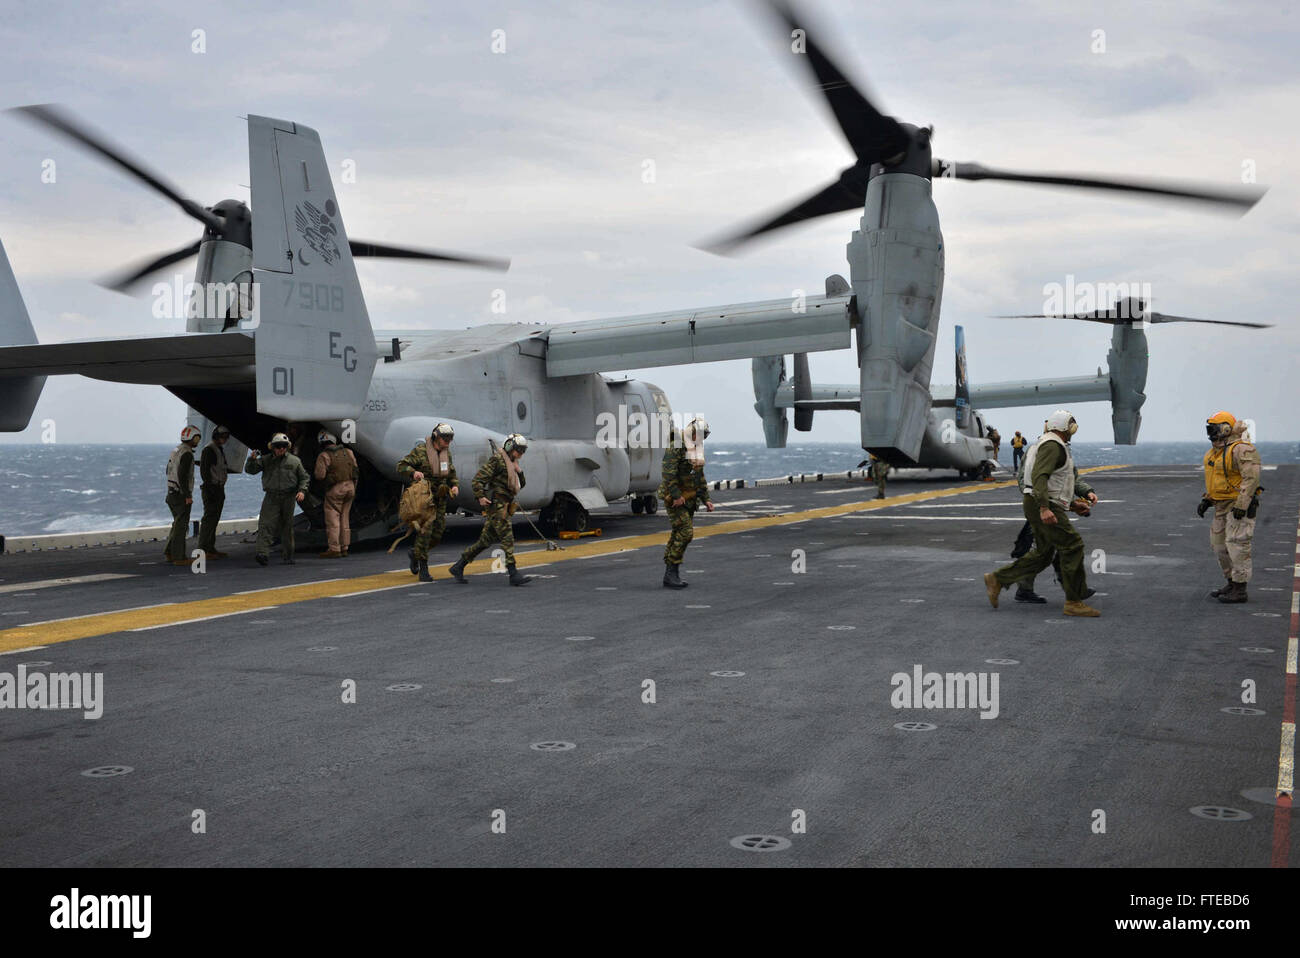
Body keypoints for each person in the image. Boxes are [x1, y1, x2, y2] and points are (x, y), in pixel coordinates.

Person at [983, 409, 1100, 617]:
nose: (1074, 429)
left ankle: (998, 579)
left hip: (1043, 503)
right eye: (1072, 424)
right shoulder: (1052, 445)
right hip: (1043, 504)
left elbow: (1060, 482)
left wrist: (1075, 503)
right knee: (1072, 545)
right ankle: (1074, 600)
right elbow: (1039, 477)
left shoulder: (1051, 444)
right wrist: (1044, 508)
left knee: (1044, 554)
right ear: (1065, 427)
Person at [1008, 421, 1097, 604]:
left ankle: (1026, 588)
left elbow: (1072, 478)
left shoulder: (1062, 451)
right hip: (1042, 508)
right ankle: (1014, 585)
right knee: (1054, 548)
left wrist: (1087, 492)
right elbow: (1026, 482)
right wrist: (1043, 505)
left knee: (1053, 549)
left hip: (1054, 508)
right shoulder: (1036, 451)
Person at [448, 433, 530, 586]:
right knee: (507, 537)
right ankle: (513, 574)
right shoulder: (498, 460)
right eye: (519, 450)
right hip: (498, 505)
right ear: (510, 447)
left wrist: (519, 471)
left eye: (523, 451)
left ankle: (458, 566)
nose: (521, 454)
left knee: (484, 542)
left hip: (505, 505)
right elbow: (478, 479)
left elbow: (520, 485)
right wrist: (480, 496)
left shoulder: (511, 463)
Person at [1198, 411, 1262, 603]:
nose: (1211, 433)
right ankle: (1232, 582)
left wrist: (1242, 504)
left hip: (1237, 505)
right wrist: (1207, 500)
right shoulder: (1215, 452)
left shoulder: (1241, 449)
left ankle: (1240, 589)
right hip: (1220, 505)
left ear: (1226, 428)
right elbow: (1216, 480)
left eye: (1214, 428)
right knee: (1219, 546)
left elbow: (1251, 479)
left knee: (1237, 544)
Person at [396, 423, 459, 582]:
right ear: (436, 437)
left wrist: (455, 485)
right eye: (445, 439)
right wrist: (413, 472)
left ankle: (415, 553)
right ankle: (423, 568)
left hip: (441, 497)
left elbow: (451, 472)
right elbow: (401, 466)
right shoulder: (421, 451)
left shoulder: (446, 453)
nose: (447, 442)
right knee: (426, 532)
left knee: (438, 534)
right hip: (425, 498)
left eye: (450, 439)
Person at [659, 416, 714, 589]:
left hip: (689, 498)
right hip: (675, 498)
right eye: (700, 435)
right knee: (686, 532)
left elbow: (699, 476)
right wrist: (675, 496)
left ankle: (670, 572)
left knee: (678, 532)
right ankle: (671, 571)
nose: (702, 439)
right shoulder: (677, 444)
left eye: (704, 436)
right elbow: (668, 472)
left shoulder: (696, 449)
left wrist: (706, 499)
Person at [247, 432, 309, 566]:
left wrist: (302, 491)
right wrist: (251, 459)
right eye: (278, 446)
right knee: (265, 525)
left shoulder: (294, 461)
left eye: (284, 446)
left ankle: (288, 556)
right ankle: (262, 553)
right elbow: (250, 470)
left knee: (286, 527)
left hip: (288, 497)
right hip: (271, 497)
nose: (281, 449)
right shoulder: (265, 460)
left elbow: (304, 478)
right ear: (273, 447)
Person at [314, 430, 359, 560]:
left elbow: (320, 475)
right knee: (345, 517)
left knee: (333, 518)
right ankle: (345, 547)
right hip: (350, 487)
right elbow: (355, 469)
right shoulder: (348, 452)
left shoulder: (324, 455)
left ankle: (334, 549)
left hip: (335, 489)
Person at [164, 425, 202, 566]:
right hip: (180, 495)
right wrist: (187, 495)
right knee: (181, 526)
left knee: (177, 524)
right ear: (194, 438)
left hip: (171, 492)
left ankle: (169, 552)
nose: (198, 441)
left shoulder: (176, 450)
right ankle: (179, 557)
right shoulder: (187, 453)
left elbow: (168, 470)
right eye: (197, 438)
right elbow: (183, 475)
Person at [197, 425, 231, 559]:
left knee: (214, 519)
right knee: (209, 520)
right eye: (223, 437)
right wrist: (211, 489)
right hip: (212, 489)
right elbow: (205, 471)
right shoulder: (209, 450)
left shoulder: (218, 450)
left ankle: (210, 548)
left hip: (218, 488)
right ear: (217, 436)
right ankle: (203, 549)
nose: (225, 439)